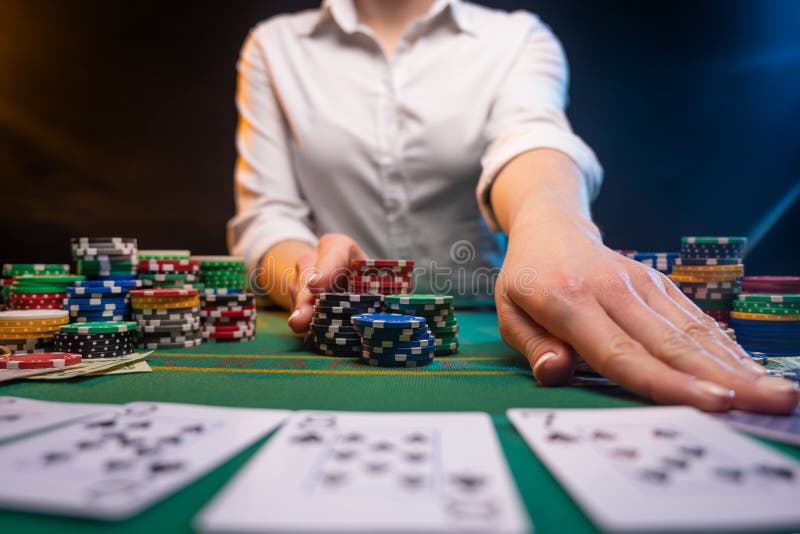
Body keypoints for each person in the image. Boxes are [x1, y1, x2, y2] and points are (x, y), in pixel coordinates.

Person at [227, 0, 798, 414]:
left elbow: (529, 136)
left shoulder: (518, 37)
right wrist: (307, 273)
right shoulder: (273, 45)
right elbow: (266, 216)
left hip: (496, 316)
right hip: (339, 332)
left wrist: (553, 223)